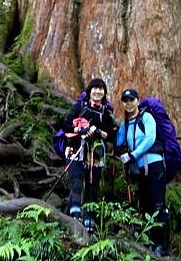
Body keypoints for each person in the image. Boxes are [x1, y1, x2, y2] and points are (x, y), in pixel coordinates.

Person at [116, 88, 170, 258]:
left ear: (138, 101)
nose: (129, 103)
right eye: (126, 100)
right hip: (139, 170)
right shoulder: (125, 124)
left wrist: (133, 154)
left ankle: (162, 245)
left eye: (132, 100)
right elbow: (118, 141)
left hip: (154, 166)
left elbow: (150, 139)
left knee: (158, 205)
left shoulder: (147, 118)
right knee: (145, 204)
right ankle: (151, 241)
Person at [62, 77, 116, 230]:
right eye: (95, 88)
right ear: (89, 90)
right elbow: (65, 124)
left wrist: (99, 132)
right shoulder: (79, 106)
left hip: (95, 153)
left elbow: (112, 135)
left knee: (93, 184)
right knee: (76, 179)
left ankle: (90, 218)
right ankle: (75, 214)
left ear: (104, 93)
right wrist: (81, 130)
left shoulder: (106, 112)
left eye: (101, 88)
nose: (98, 91)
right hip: (77, 148)